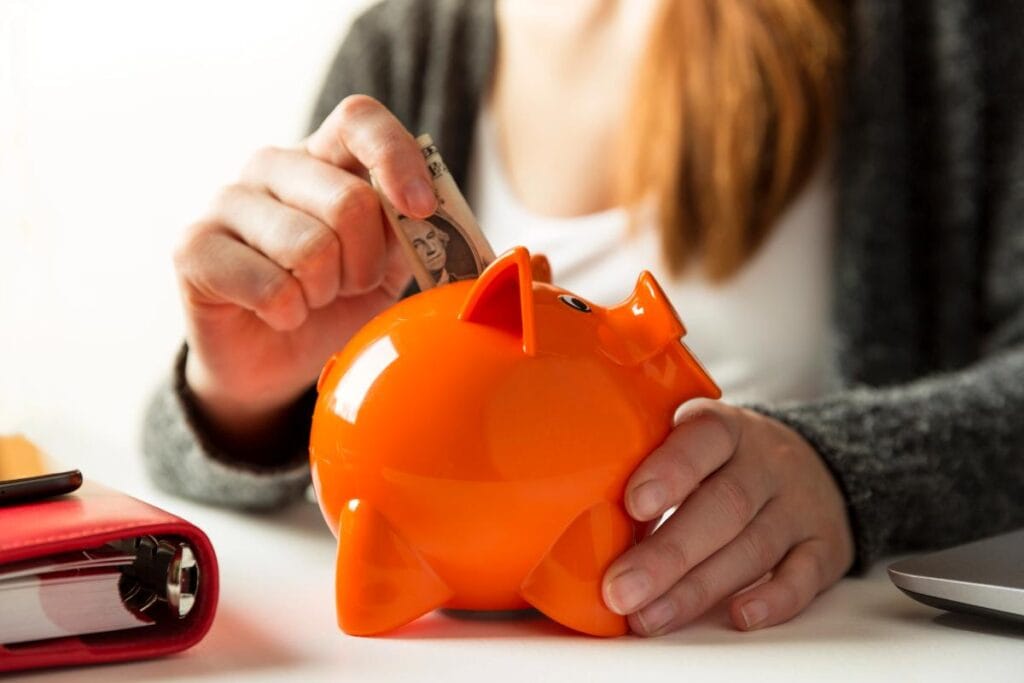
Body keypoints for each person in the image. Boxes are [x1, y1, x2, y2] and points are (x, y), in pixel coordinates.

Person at [143, 0, 1024, 637]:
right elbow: (215, 467)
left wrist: (845, 473)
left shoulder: (942, 33)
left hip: (798, 648)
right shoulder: (403, 48)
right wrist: (242, 396)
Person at [401, 214, 478, 283]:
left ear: (440, 239)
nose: (432, 249)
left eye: (430, 236)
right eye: (417, 245)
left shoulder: (474, 282)